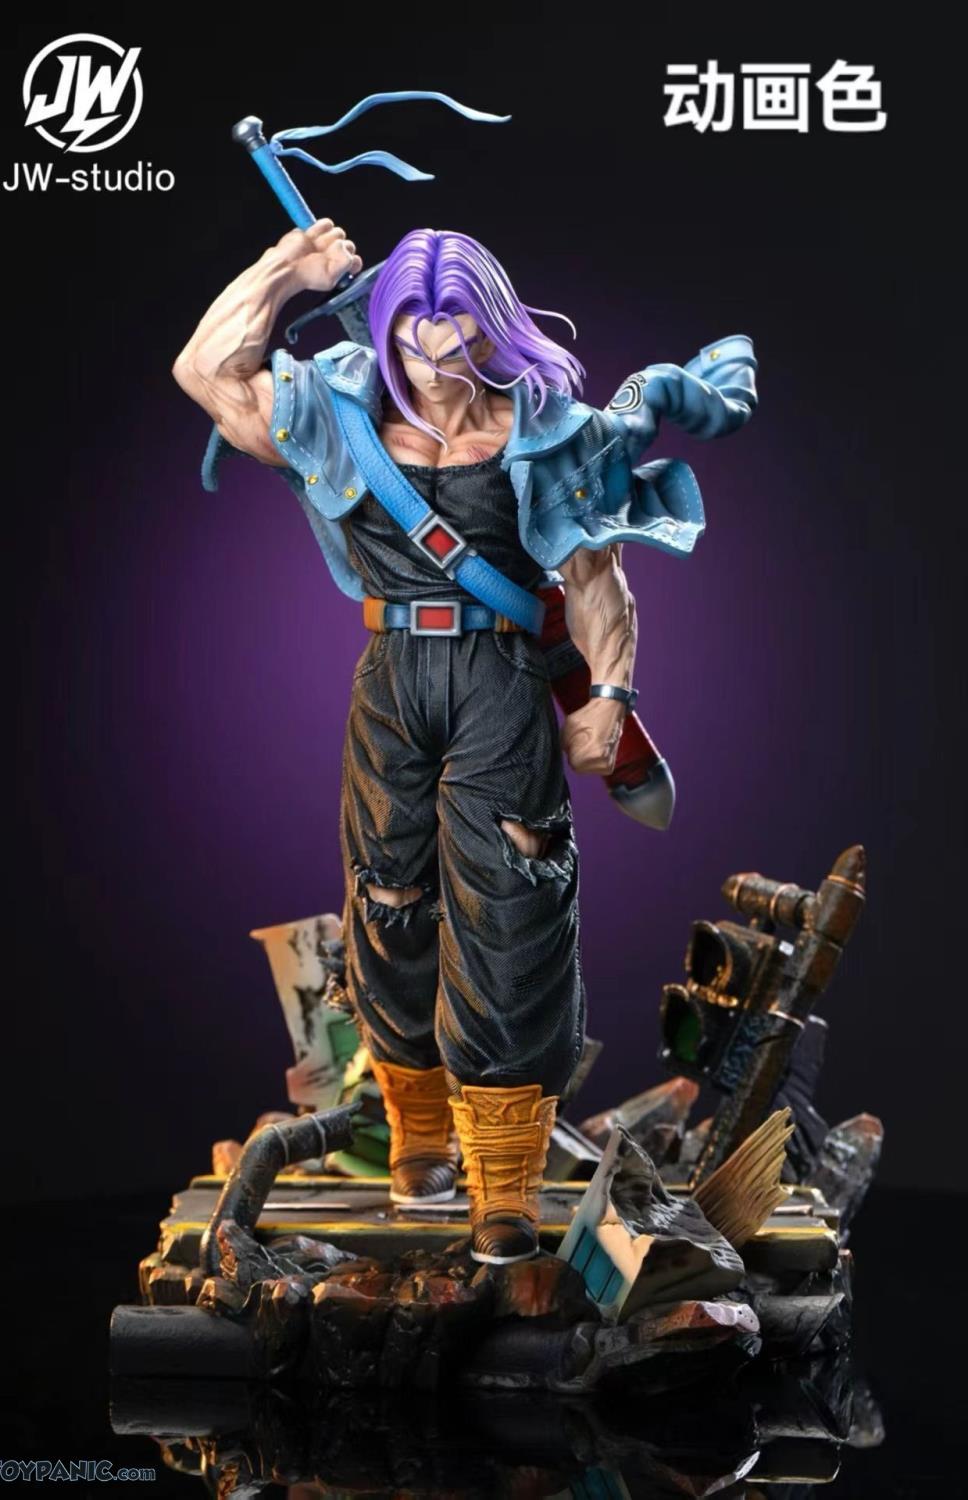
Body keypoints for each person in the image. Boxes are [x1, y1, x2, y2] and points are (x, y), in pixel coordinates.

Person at [173, 219, 757, 1263]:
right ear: (386, 328)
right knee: (388, 902)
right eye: (413, 332)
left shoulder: (547, 430)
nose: (435, 358)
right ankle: (419, 1133)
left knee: (513, 913)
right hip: (393, 680)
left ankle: (503, 1181)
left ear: (493, 327)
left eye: (457, 331)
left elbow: (597, 580)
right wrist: (286, 270)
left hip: (501, 680)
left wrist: (610, 694)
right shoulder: (336, 414)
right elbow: (206, 370)